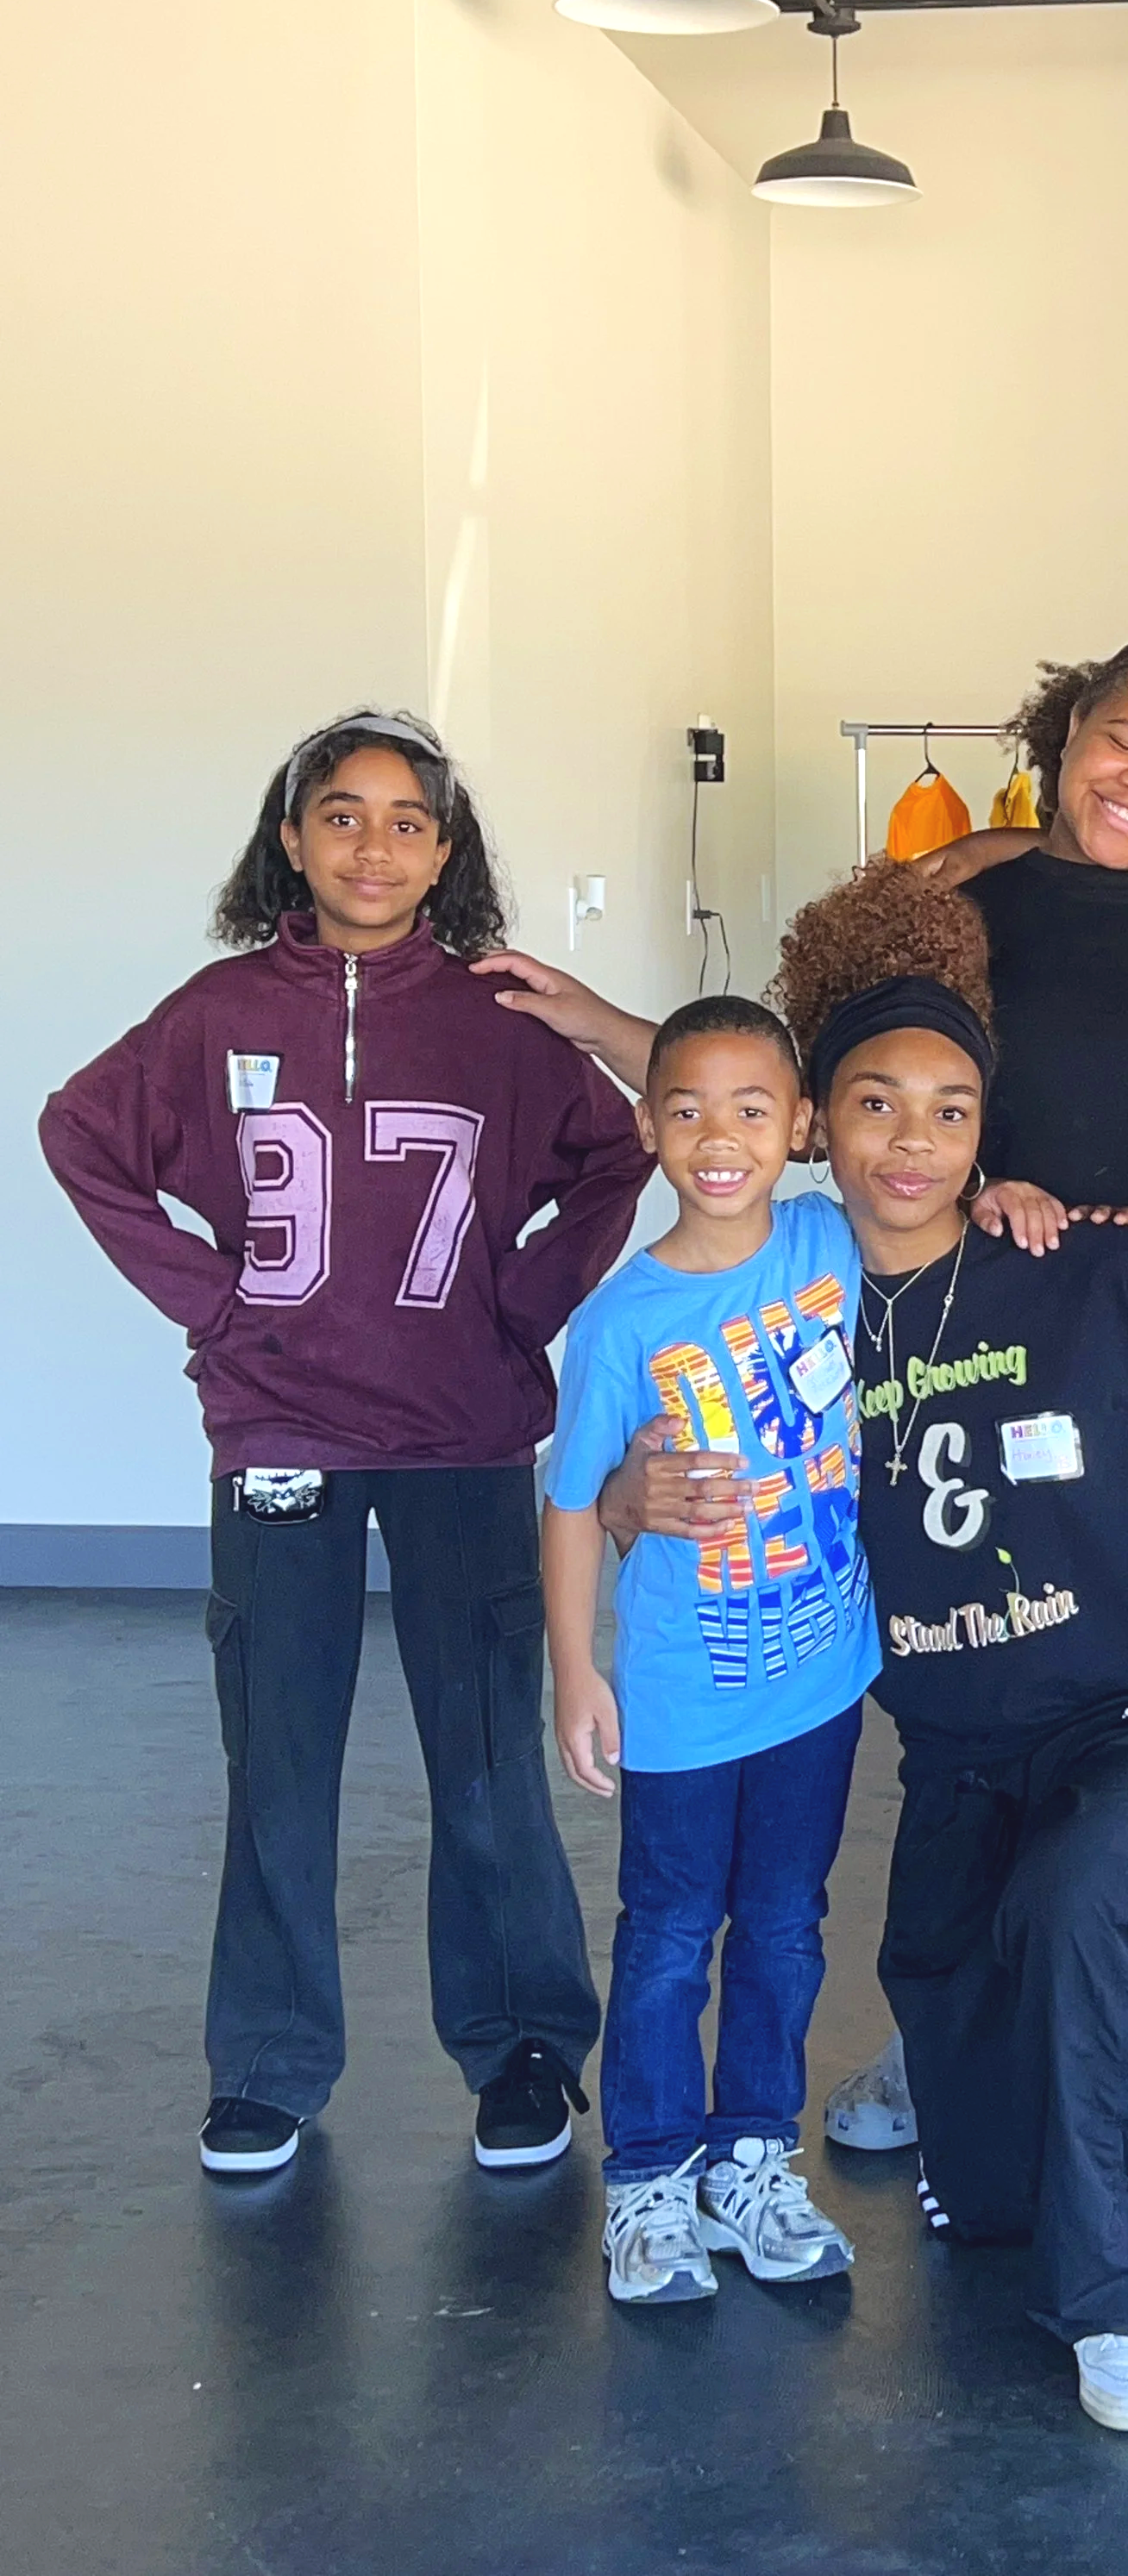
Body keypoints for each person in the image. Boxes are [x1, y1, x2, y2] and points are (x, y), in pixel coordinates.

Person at [475, 640, 1128, 2187]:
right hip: (985, 1318)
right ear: (1064, 739)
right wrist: (613, 1028)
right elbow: (804, 1086)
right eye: (1122, 744)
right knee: (993, 1665)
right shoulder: (971, 904)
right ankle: (962, 2019)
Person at [39, 709, 647, 2177]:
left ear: (447, 853)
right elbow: (79, 1131)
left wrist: (521, 1306)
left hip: (466, 1434)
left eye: (407, 820)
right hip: (281, 1429)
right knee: (280, 1757)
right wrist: (216, 1303)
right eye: (342, 814)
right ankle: (266, 2062)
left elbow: (619, 1151)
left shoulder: (499, 1019)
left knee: (489, 1756)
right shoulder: (219, 1011)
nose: (373, 844)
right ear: (292, 837)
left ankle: (519, 2049)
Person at [749, 863, 1128, 2431]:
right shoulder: (792, 1310)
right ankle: (1074, 2136)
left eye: (953, 1112)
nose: (913, 1143)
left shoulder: (1090, 1267)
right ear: (812, 1128)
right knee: (971, 2131)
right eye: (875, 1107)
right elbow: (679, 1451)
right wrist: (636, 1485)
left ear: (992, 1131)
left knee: (1086, 1909)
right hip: (965, 1751)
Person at [544, 994, 874, 2303]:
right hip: (687, 1698)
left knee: (787, 1929)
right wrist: (578, 1668)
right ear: (648, 1128)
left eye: (751, 1109)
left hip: (823, 1684)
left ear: (799, 1127)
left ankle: (752, 2157)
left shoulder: (831, 1240)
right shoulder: (621, 1323)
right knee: (673, 1935)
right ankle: (647, 2180)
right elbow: (575, 1504)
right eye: (686, 1109)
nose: (719, 1136)